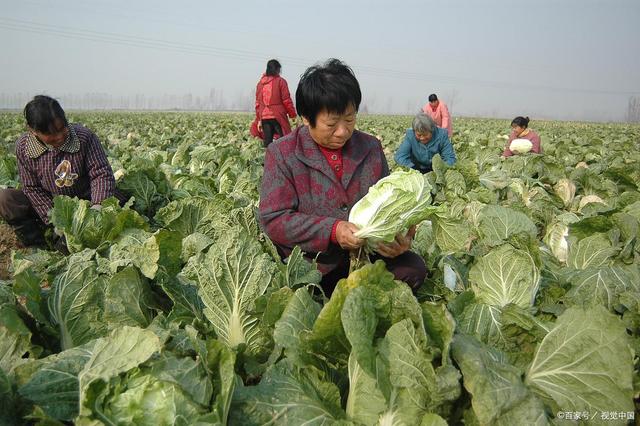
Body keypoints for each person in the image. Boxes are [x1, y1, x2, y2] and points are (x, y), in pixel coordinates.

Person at [259, 59, 427, 295]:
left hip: (365, 256)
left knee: (413, 269)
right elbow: (274, 219)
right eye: (331, 123)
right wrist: (333, 230)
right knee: (300, 290)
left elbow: (393, 206)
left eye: (349, 119)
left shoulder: (370, 147)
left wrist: (399, 239)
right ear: (306, 118)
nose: (343, 131)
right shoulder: (282, 153)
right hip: (314, 264)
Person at [0, 95, 125, 249]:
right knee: (7, 199)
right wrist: (56, 220)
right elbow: (32, 188)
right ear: (33, 131)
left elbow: (101, 174)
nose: (59, 137)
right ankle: (38, 246)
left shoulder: (84, 137)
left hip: (86, 201)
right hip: (51, 205)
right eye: (50, 134)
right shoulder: (24, 147)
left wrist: (97, 207)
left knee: (119, 210)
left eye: (62, 128)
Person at [250, 59, 297, 147]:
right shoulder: (281, 81)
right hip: (278, 116)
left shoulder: (260, 84)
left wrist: (259, 119)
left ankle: (267, 159)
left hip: (264, 117)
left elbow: (258, 104)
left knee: (267, 142)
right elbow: (286, 100)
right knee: (283, 141)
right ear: (277, 69)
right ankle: (282, 159)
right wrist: (292, 114)